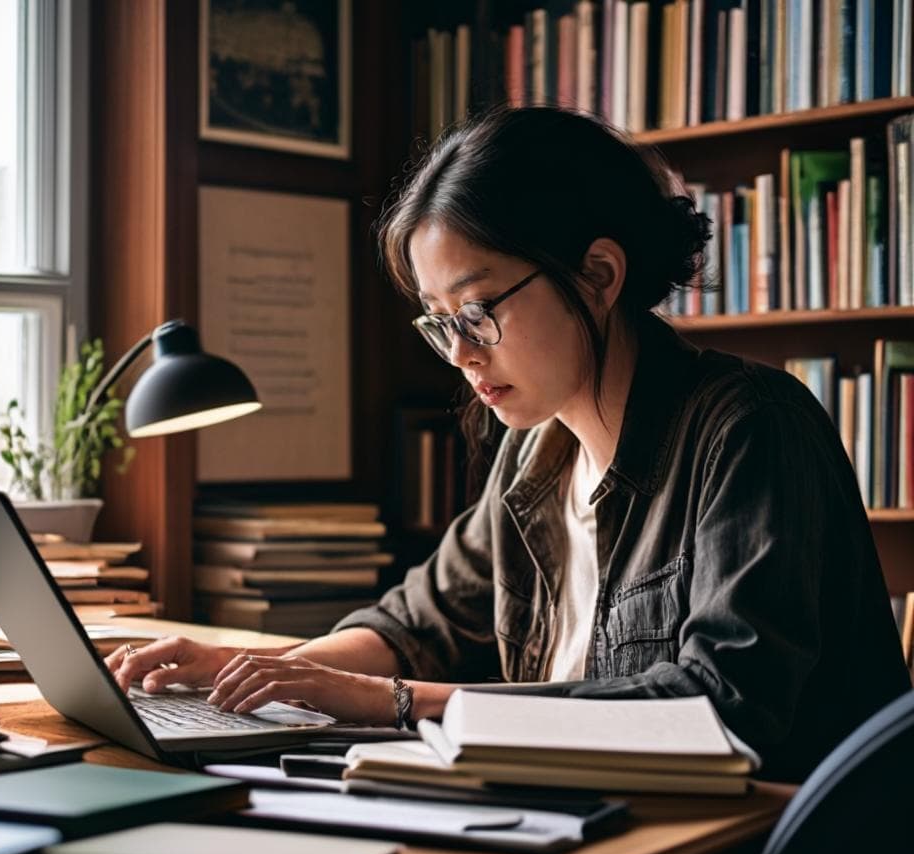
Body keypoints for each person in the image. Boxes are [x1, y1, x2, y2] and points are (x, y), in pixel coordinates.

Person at [109, 106, 909, 783]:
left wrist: (395, 703)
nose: (460, 352)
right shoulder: (537, 452)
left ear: (599, 274)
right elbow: (414, 625)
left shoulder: (750, 428)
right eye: (440, 321)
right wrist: (261, 677)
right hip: (589, 822)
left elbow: (724, 707)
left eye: (478, 308)